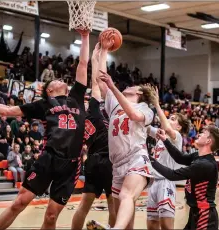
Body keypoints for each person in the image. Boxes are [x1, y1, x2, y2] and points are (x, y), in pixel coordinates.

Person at [0, 29, 90, 229]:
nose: (62, 80)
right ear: (49, 89)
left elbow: (83, 64)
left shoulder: (76, 97)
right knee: (20, 202)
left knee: (51, 216)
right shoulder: (44, 104)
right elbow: (7, 110)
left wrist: (85, 37)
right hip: (48, 158)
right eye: (57, 80)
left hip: (71, 164)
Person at [87, 34, 155, 230]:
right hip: (116, 164)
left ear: (140, 93)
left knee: (126, 196)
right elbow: (101, 80)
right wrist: (105, 51)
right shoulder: (115, 104)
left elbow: (133, 115)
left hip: (136, 158)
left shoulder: (145, 109)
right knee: (125, 218)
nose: (127, 86)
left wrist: (113, 86)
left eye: (132, 87)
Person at [71, 44, 116, 230]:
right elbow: (97, 83)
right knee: (114, 205)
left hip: (93, 161)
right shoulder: (96, 112)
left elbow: (95, 85)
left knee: (84, 205)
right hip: (109, 161)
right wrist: (100, 54)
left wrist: (96, 56)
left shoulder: (89, 115)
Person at [150, 125, 219, 230]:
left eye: (204, 133)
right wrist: (165, 140)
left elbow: (172, 175)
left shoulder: (204, 164)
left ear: (208, 141)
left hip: (205, 216)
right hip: (196, 213)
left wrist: (150, 159)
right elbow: (179, 158)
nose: (199, 134)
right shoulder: (197, 156)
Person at [146, 87, 191, 230]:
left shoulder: (176, 137)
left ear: (178, 127)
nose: (168, 120)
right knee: (152, 225)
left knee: (166, 225)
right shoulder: (161, 136)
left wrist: (157, 104)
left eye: (172, 119)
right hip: (153, 183)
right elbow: (145, 127)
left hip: (166, 182)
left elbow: (165, 126)